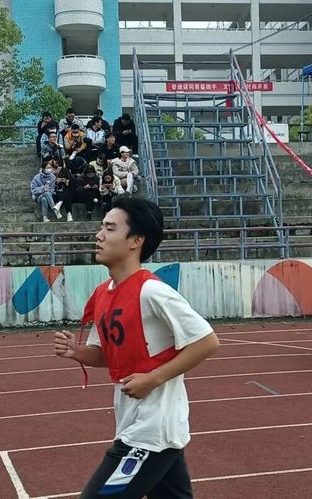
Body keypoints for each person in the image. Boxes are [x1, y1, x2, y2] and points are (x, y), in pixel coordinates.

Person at [53, 196, 219, 498]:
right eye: (101, 227)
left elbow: (206, 341)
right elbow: (107, 355)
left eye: (110, 228)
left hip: (150, 430)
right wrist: (77, 352)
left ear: (135, 241)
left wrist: (152, 378)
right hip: (141, 424)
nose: (99, 235)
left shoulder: (152, 291)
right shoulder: (102, 294)